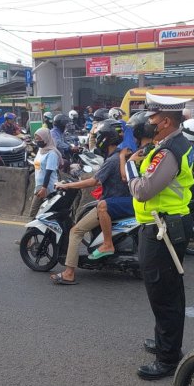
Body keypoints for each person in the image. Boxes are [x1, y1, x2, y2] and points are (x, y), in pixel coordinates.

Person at [121, 93, 194, 380]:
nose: (149, 122)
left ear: (165, 122)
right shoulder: (170, 144)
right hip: (163, 225)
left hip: (163, 229)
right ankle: (166, 343)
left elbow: (142, 190)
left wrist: (129, 166)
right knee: (165, 292)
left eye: (152, 117)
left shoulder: (168, 151)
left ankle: (168, 359)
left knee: (164, 294)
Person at [49, 120, 132, 285]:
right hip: (121, 201)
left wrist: (67, 185)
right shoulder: (121, 156)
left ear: (105, 139)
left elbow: (94, 181)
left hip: (111, 204)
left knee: (76, 231)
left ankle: (69, 273)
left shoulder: (113, 160)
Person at [28, 128, 60, 218]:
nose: (37, 141)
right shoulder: (40, 151)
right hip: (39, 187)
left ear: (46, 138)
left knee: (34, 213)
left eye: (39, 139)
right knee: (40, 214)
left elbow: (48, 172)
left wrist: (44, 188)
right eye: (36, 139)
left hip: (48, 188)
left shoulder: (52, 153)